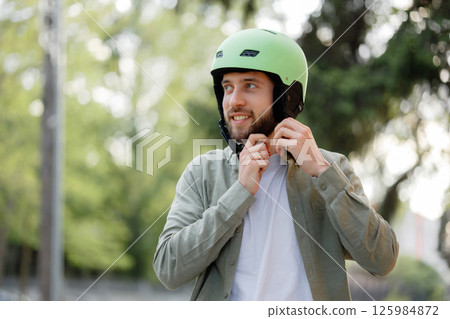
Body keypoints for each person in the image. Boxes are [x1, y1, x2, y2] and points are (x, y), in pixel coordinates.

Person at [153, 28, 399, 301]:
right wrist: (240, 193)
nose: (234, 101)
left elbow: (382, 260)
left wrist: (323, 173)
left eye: (250, 85)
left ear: (287, 96)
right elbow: (168, 269)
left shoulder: (332, 166)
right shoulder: (202, 172)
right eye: (227, 87)